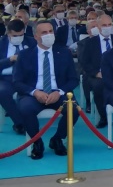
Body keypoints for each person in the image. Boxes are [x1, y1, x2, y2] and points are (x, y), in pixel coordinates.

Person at [15, 21, 80, 160]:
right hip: (34, 94)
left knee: (74, 109)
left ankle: (57, 139)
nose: (49, 35)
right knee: (26, 109)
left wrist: (59, 92)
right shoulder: (24, 54)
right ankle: (37, 142)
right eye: (44, 32)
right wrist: (35, 92)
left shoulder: (64, 52)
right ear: (35, 36)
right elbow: (17, 82)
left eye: (51, 31)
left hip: (58, 93)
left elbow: (73, 79)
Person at [80, 14, 113, 128]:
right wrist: (96, 73)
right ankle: (104, 117)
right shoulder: (90, 42)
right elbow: (85, 62)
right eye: (104, 25)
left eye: (109, 25)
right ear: (98, 26)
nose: (107, 27)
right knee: (98, 87)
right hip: (97, 75)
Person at [0, 20, 36, 134]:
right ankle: (20, 123)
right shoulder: (1, 43)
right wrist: (10, 60)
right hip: (7, 78)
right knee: (2, 92)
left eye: (21, 35)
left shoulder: (31, 42)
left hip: (27, 78)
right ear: (8, 33)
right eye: (15, 36)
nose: (18, 38)